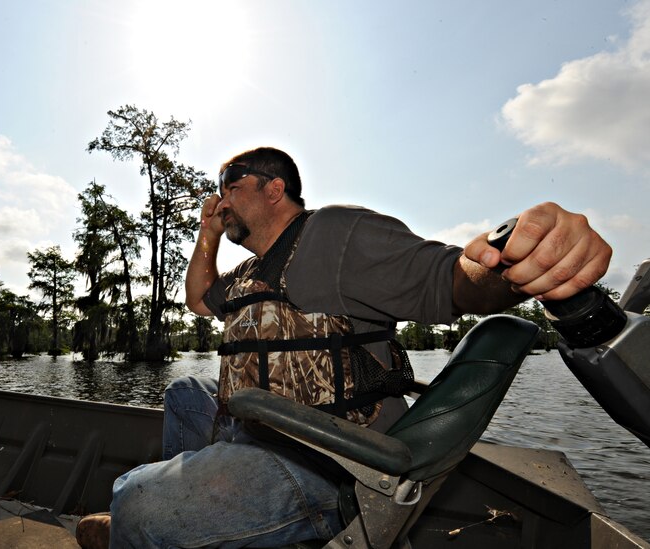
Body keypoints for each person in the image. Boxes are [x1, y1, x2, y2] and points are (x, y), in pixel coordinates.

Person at [75, 146, 612, 548]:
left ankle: (154, 519)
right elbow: (197, 300)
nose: (218, 198)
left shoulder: (337, 234)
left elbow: (452, 279)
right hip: (253, 430)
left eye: (229, 183)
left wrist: (515, 261)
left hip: (326, 458)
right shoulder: (250, 270)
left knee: (135, 500)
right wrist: (207, 233)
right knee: (187, 391)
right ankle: (203, 523)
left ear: (273, 188)